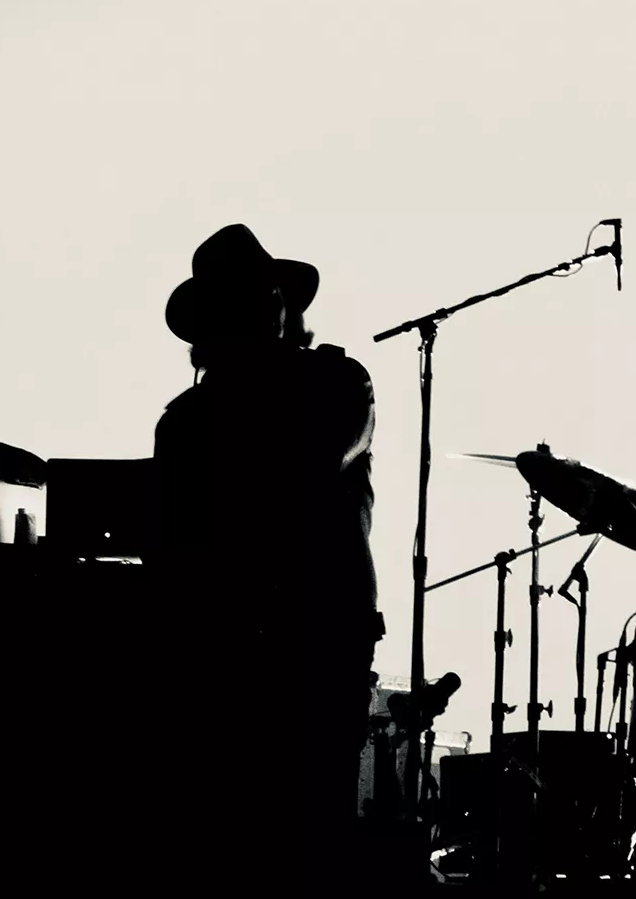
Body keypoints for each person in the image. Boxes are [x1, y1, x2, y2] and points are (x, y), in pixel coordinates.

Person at [150, 224, 383, 883]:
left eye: (265, 295)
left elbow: (306, 467)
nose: (260, 307)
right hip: (224, 645)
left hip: (316, 638)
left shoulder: (337, 383)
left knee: (306, 828)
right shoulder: (187, 418)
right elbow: (172, 540)